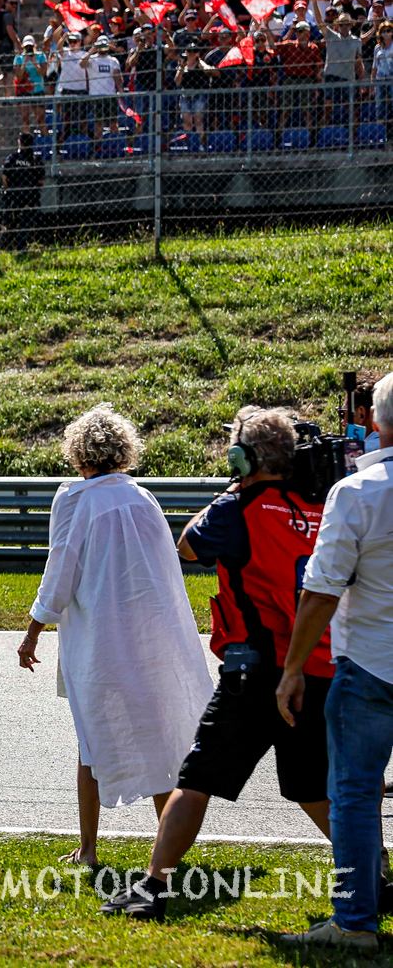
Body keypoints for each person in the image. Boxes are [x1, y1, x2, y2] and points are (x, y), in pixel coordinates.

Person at [102, 408, 331, 921]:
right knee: (313, 787)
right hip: (312, 664)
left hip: (255, 668)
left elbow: (188, 546)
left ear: (242, 457)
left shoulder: (237, 507)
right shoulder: (315, 506)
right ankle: (370, 873)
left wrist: (230, 490)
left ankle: (153, 887)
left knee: (197, 777)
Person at [17, 405, 211, 870]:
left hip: (100, 643)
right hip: (150, 638)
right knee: (159, 738)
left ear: (77, 452)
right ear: (123, 450)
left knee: (92, 741)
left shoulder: (74, 499)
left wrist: (33, 632)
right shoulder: (142, 497)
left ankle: (88, 849)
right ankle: (169, 853)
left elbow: (59, 572)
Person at [278, 375, 393, 951]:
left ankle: (354, 922)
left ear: (375, 423)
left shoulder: (356, 491)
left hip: (370, 661)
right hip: (370, 660)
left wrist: (295, 666)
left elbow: (321, 589)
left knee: (353, 791)